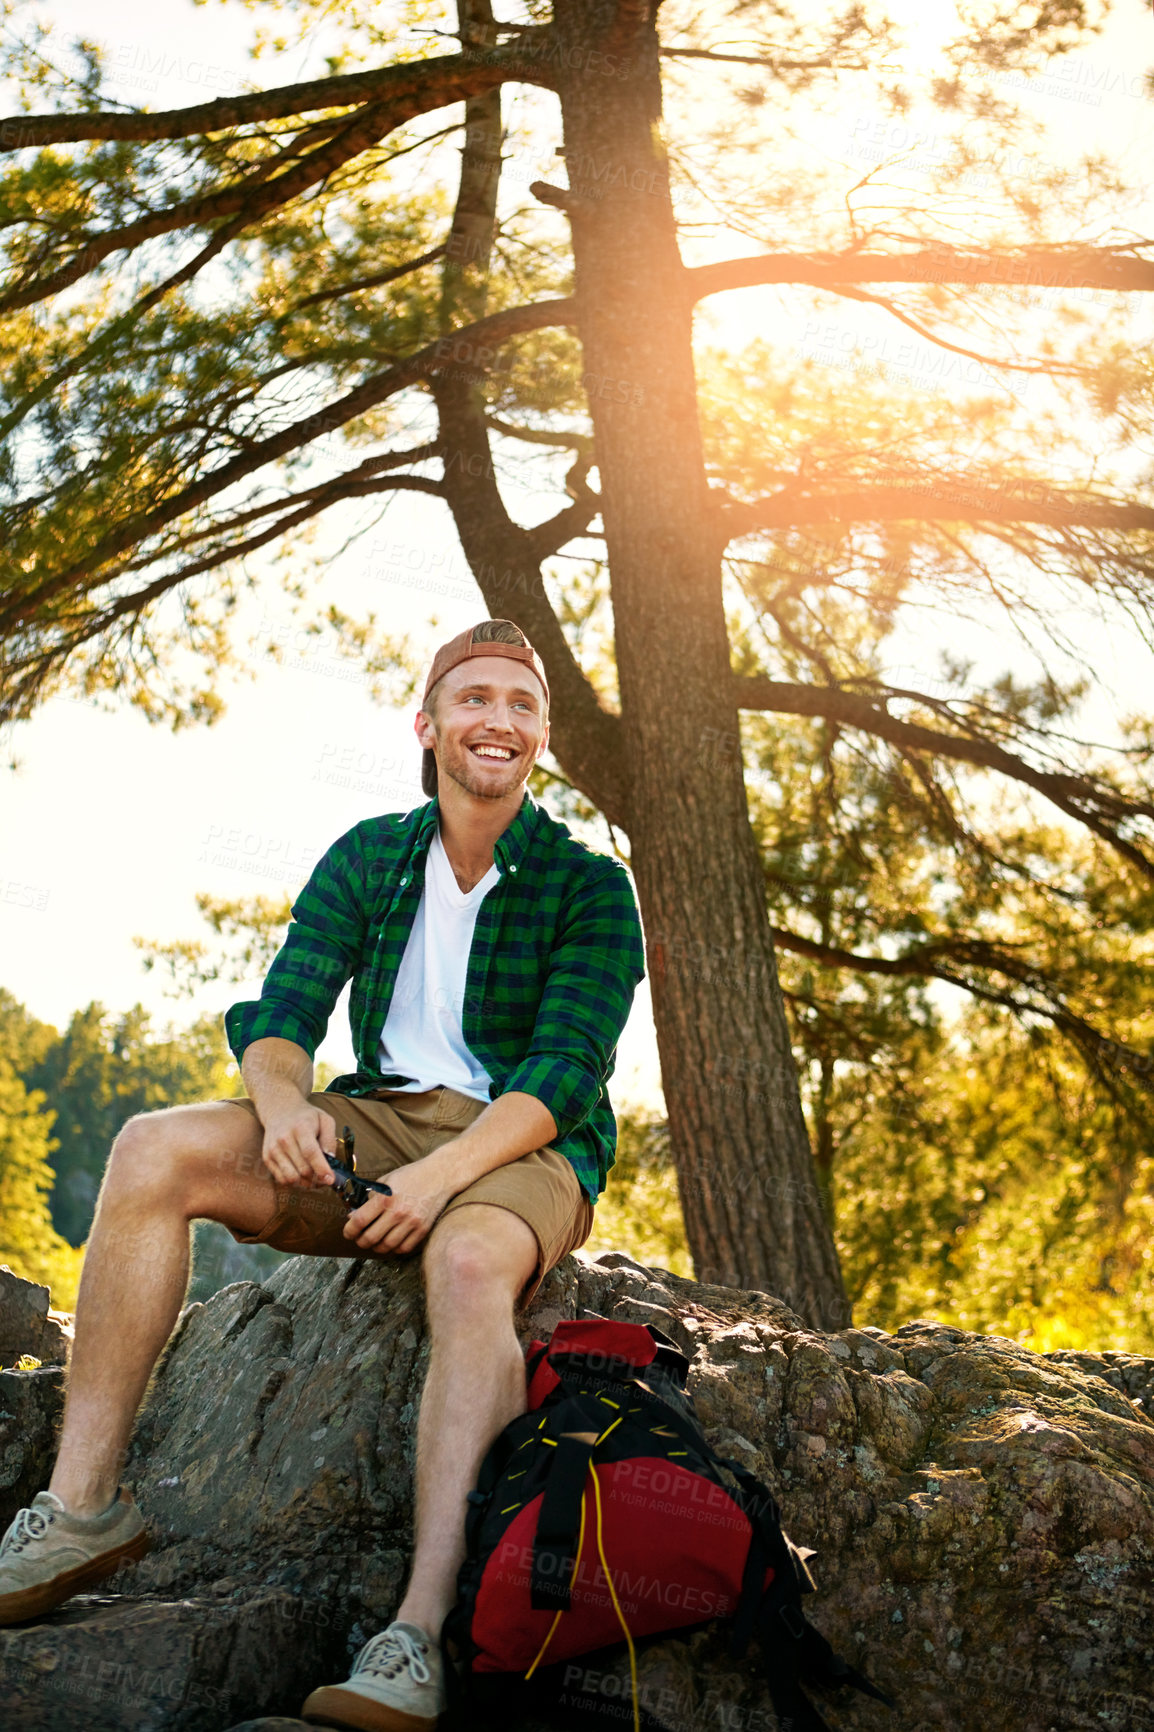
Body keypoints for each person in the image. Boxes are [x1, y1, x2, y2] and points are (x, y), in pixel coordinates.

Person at [0, 617, 646, 1732]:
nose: (499, 719)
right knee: (152, 1146)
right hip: (374, 1118)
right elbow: (283, 1010)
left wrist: (443, 1178)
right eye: (475, 697)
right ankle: (79, 1507)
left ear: (536, 737)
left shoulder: (591, 885)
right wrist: (288, 1106)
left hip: (519, 1147)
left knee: (465, 1259)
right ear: (429, 723)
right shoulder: (367, 854)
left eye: (521, 705)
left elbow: (561, 1075)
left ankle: (419, 1631)